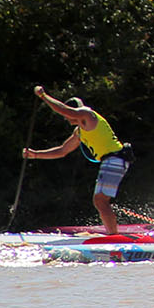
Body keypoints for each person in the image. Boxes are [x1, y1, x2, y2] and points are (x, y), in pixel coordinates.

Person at [23, 86, 133, 234]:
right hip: (112, 160)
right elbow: (63, 150)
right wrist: (35, 154)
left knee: (100, 200)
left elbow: (64, 110)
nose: (66, 118)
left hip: (115, 158)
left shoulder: (87, 115)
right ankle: (112, 234)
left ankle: (113, 236)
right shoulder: (79, 131)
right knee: (100, 200)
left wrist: (43, 96)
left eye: (68, 115)